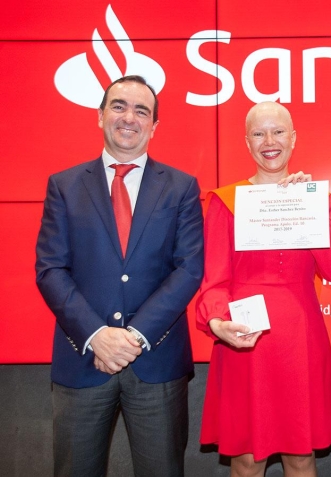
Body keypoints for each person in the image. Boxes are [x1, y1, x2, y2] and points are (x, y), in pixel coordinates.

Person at [35, 75, 204, 476]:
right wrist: (97, 335)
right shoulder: (64, 185)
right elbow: (50, 268)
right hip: (82, 359)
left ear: (154, 126)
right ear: (100, 116)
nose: (129, 117)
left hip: (157, 363)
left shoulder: (181, 187)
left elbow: (188, 269)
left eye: (141, 111)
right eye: (119, 106)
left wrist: (135, 336)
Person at [195, 101, 331, 477]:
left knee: (301, 457)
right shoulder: (225, 202)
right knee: (247, 460)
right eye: (258, 133)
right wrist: (217, 322)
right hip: (245, 341)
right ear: (247, 142)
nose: (269, 141)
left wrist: (307, 207)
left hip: (301, 340)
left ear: (293, 138)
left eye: (278, 131)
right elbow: (213, 282)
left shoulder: (318, 200)